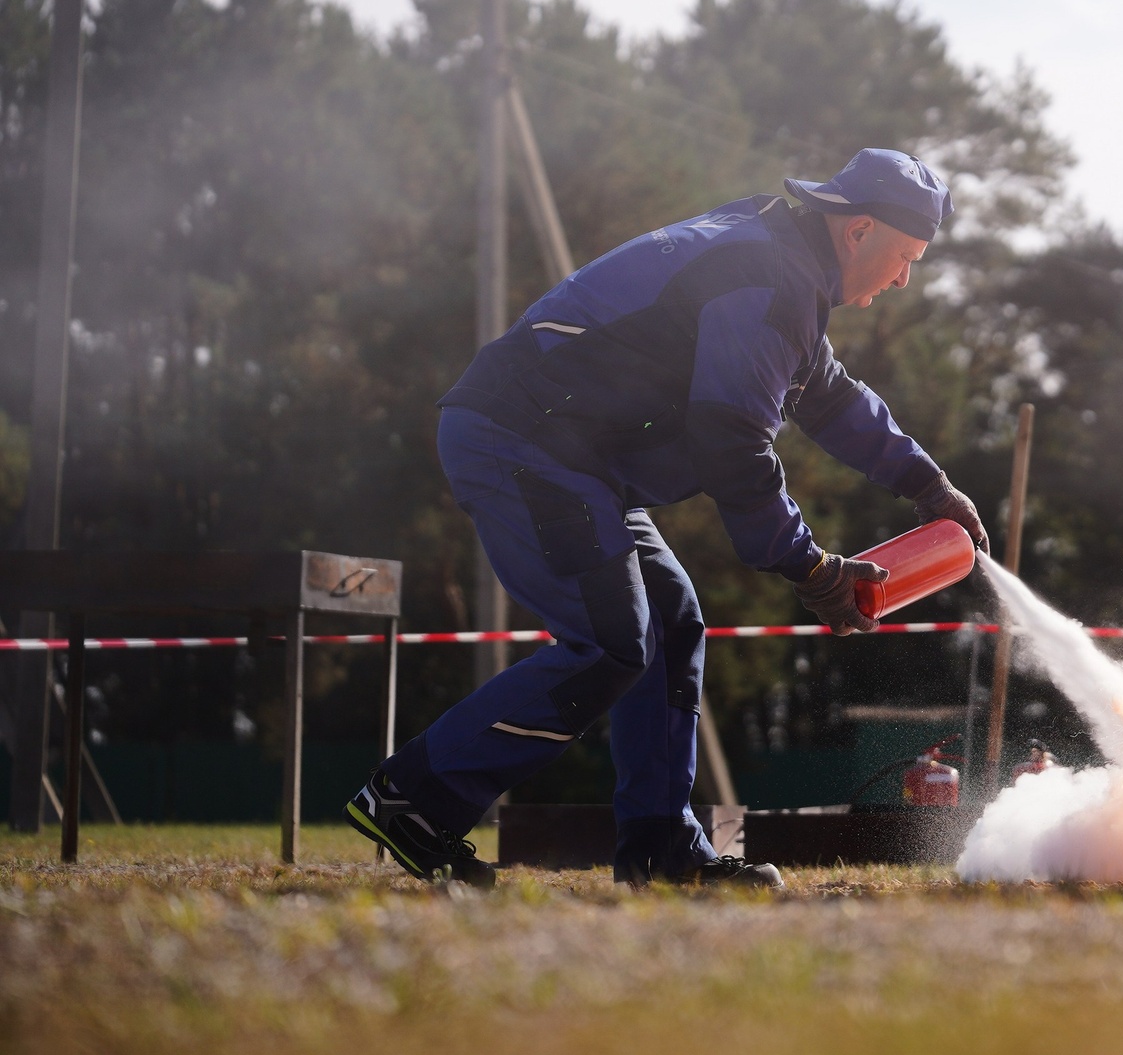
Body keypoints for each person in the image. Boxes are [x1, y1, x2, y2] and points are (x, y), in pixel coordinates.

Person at [343, 149, 988, 889]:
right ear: (859, 230)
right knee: (613, 641)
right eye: (906, 256)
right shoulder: (771, 280)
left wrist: (927, 483)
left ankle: (661, 851)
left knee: (670, 621)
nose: (905, 276)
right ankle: (411, 798)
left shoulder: (784, 262)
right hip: (520, 440)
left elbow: (828, 394)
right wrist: (810, 568)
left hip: (577, 461)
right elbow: (733, 448)